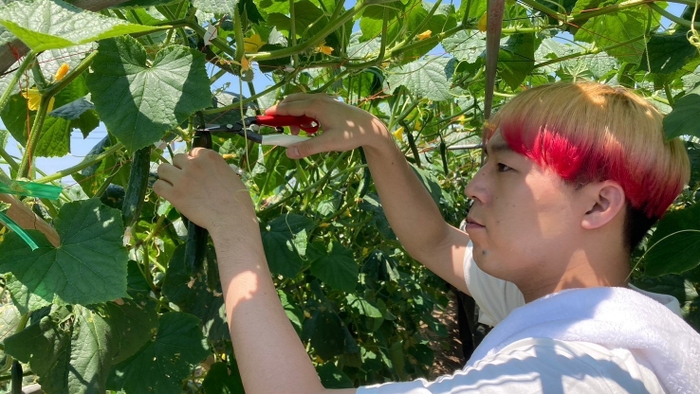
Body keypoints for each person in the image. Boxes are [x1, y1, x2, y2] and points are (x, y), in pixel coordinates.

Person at [153, 82, 700, 394]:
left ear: (599, 204)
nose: (473, 185)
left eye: (506, 169)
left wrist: (232, 226)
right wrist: (378, 142)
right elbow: (435, 243)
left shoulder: (559, 375)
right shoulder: (575, 309)